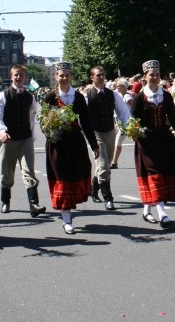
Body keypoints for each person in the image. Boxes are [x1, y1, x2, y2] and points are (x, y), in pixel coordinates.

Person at [131, 60, 175, 229]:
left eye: (157, 74)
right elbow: (132, 121)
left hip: (164, 140)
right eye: (151, 74)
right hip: (146, 142)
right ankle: (162, 213)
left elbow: (173, 118)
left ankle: (146, 210)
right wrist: (137, 132)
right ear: (145, 77)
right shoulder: (139, 98)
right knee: (155, 174)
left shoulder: (165, 95)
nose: (154, 77)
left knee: (164, 173)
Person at [41, 62, 99, 234]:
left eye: (67, 75)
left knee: (77, 173)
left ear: (70, 77)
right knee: (61, 177)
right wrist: (51, 130)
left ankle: (69, 212)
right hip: (57, 144)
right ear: (56, 77)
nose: (64, 78)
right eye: (61, 75)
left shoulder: (79, 97)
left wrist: (94, 144)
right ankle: (66, 219)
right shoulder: (50, 97)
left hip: (75, 143)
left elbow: (86, 122)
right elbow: (43, 121)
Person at [0, 64, 46, 217]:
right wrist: (1, 131)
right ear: (11, 76)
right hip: (9, 138)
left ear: (25, 77)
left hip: (26, 138)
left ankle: (34, 204)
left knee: (29, 170)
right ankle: (5, 201)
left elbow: (37, 113)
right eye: (16, 75)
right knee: (7, 171)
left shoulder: (30, 96)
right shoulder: (3, 95)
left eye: (21, 75)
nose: (18, 77)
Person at [84, 66, 131, 211]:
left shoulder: (113, 94)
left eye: (103, 75)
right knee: (104, 165)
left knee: (105, 164)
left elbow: (123, 111)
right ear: (92, 77)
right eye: (98, 75)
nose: (101, 77)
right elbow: (82, 118)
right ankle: (108, 198)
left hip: (110, 131)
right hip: (95, 132)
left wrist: (129, 126)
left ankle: (93, 190)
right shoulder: (86, 96)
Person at [111, 78, 134, 169]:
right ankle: (114, 162)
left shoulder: (126, 96)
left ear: (125, 87)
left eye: (120, 85)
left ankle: (114, 162)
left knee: (118, 142)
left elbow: (133, 105)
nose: (118, 87)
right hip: (124, 123)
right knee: (118, 142)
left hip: (128, 123)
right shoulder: (120, 95)